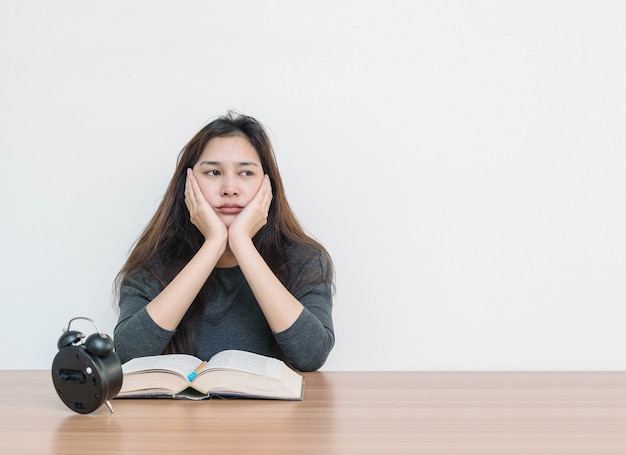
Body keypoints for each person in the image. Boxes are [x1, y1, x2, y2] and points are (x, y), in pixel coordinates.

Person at [113, 112, 334, 372]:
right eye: (213, 172)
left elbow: (311, 355)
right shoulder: (153, 262)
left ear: (267, 185)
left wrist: (241, 243)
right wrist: (214, 244)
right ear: (188, 184)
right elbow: (129, 355)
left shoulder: (304, 259)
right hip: (178, 412)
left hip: (273, 414)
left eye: (246, 172)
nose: (230, 188)